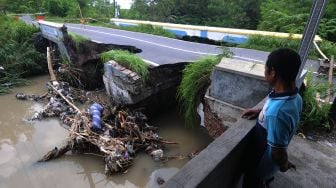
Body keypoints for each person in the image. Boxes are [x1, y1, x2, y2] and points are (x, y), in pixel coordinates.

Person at [241, 48, 302, 188]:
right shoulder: (294, 97)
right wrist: (261, 112)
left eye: (265, 69)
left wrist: (284, 165)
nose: (264, 73)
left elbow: (278, 152)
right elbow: (276, 108)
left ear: (273, 72)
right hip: (268, 166)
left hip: (260, 167)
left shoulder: (277, 113)